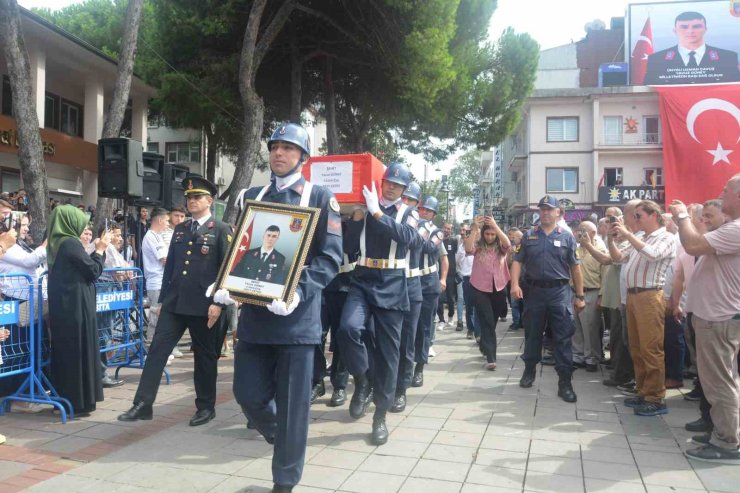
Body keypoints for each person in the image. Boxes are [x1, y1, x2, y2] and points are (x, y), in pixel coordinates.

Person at [217, 123, 341, 493]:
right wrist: (226, 283)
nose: (279, 154)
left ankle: (284, 482)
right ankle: (285, 440)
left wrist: (299, 292)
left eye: (289, 148)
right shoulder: (250, 195)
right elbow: (242, 248)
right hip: (255, 318)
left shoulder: (319, 197)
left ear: (303, 157)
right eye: (275, 147)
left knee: (292, 407)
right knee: (248, 394)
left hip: (296, 321)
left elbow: (331, 258)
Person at [118, 176, 231, 427]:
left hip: (205, 305)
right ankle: (142, 404)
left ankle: (205, 407)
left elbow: (227, 269)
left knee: (204, 356)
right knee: (157, 349)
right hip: (175, 303)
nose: (191, 201)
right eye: (189, 197)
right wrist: (162, 301)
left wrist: (220, 302)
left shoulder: (221, 229)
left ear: (209, 201)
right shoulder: (180, 229)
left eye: (197, 197)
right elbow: (171, 267)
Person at [337, 161, 419, 447]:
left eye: (398, 184)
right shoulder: (364, 207)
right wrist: (359, 217)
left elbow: (410, 240)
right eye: (388, 181)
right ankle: (362, 380)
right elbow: (348, 247)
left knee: (388, 352)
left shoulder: (409, 213)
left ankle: (380, 417)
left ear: (404, 189)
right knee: (347, 328)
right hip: (363, 277)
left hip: (393, 282)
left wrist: (376, 213)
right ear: (381, 181)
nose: (392, 186)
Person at [671, 175, 740, 462]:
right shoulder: (731, 227)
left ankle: (727, 443)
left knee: (720, 383)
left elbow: (693, 245)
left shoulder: (736, 229)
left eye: (727, 191)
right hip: (714, 317)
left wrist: (683, 217)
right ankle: (722, 432)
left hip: (718, 318)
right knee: (720, 381)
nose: (721, 194)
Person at [512, 195, 585, 403]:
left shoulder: (567, 237)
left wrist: (580, 296)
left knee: (562, 338)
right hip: (534, 292)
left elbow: (575, 268)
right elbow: (517, 261)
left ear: (558, 213)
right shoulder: (529, 236)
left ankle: (565, 383)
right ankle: (529, 371)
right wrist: (514, 284)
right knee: (533, 334)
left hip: (559, 293)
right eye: (542, 209)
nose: (545, 213)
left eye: (549, 209)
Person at [609, 200, 677, 416]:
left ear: (653, 215)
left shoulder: (666, 237)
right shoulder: (640, 237)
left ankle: (656, 397)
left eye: (639, 215)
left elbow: (653, 254)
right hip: (633, 296)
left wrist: (628, 235)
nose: (635, 220)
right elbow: (618, 258)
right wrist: (611, 239)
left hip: (649, 295)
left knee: (651, 348)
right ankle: (643, 390)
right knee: (636, 347)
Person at [47, 205, 111, 416]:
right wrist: (100, 250)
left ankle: (69, 399)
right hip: (75, 308)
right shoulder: (70, 243)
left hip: (67, 307)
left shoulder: (59, 242)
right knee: (78, 352)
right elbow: (92, 270)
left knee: (70, 352)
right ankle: (78, 400)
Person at [391, 182, 425, 413]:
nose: (406, 203)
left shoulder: (421, 226)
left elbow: (412, 239)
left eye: (411, 201)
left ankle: (401, 388)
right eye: (404, 198)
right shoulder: (388, 216)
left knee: (406, 342)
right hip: (387, 284)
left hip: (410, 287)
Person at [465, 215, 511, 370]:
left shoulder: (501, 248)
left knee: (492, 321)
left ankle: (484, 344)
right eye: (487, 234)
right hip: (479, 288)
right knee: (488, 321)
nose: (490, 237)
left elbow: (508, 243)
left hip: (499, 288)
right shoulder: (478, 246)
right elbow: (467, 248)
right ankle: (491, 358)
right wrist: (475, 229)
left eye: (492, 234)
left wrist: (495, 226)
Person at [644, 11, 740, 85]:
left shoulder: (728, 58)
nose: (690, 31)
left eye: (696, 26)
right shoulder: (656, 59)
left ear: (705, 29)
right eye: (684, 27)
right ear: (675, 30)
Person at [412, 196, 448, 386]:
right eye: (421, 209)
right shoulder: (409, 225)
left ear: (433, 214)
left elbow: (429, 248)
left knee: (424, 327)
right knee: (408, 327)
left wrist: (443, 278)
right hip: (409, 279)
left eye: (427, 210)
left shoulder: (437, 232)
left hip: (427, 282)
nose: (423, 213)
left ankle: (419, 367)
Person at [573, 221, 608, 372]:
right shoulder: (576, 248)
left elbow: (605, 276)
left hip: (592, 291)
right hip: (574, 292)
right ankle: (578, 356)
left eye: (584, 231)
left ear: (593, 233)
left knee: (590, 328)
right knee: (576, 327)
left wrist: (601, 296)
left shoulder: (600, 250)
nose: (580, 233)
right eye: (579, 230)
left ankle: (592, 358)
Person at [141, 207, 170, 344]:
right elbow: (164, 259)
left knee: (161, 316)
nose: (168, 224)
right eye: (166, 221)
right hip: (156, 282)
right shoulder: (151, 236)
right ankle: (151, 345)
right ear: (159, 220)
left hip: (161, 281)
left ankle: (158, 346)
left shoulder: (157, 236)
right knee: (156, 316)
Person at [456, 223, 478, 339]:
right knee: (469, 305)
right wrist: (464, 247)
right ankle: (470, 329)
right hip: (467, 278)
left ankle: (479, 330)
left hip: (479, 279)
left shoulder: (480, 246)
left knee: (478, 305)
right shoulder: (462, 248)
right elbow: (458, 261)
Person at [437, 222, 458, 327]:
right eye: (445, 228)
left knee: (450, 297)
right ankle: (441, 319)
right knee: (439, 298)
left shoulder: (454, 241)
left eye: (448, 228)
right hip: (438, 273)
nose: (446, 230)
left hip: (450, 273)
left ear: (451, 230)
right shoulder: (437, 239)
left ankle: (450, 316)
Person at [506, 228, 524, 331]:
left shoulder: (526, 248)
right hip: (514, 280)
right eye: (513, 237)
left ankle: (523, 321)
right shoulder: (512, 249)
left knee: (523, 303)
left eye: (516, 237)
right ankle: (516, 322)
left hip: (525, 280)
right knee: (514, 303)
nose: (514, 239)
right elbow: (508, 263)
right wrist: (509, 254)